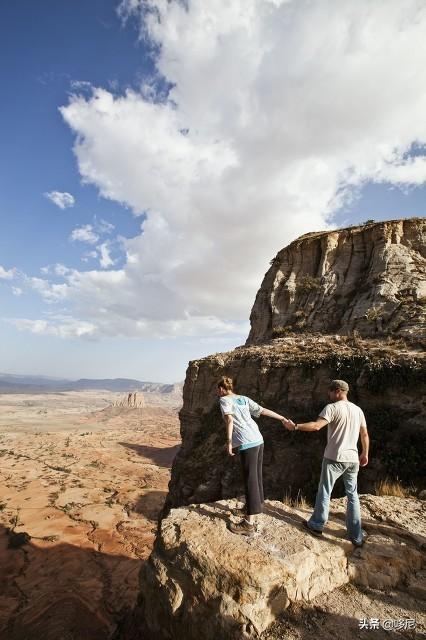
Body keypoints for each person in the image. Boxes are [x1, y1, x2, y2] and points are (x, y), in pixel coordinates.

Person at [283, 379, 369, 546]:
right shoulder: (358, 410)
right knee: (352, 495)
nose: (328, 394)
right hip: (352, 458)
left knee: (325, 490)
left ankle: (316, 525)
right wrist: (365, 453)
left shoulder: (332, 408)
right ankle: (356, 535)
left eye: (330, 391)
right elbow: (364, 435)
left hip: (334, 457)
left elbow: (316, 426)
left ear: (337, 391)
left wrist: (295, 427)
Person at [217, 376, 288, 536]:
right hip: (258, 439)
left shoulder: (224, 400)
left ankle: (249, 523)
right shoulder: (243, 398)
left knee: (250, 479)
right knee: (256, 476)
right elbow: (262, 411)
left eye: (218, 390)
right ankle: (253, 506)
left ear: (221, 389)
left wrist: (228, 442)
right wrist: (282, 418)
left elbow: (229, 420)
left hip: (246, 442)